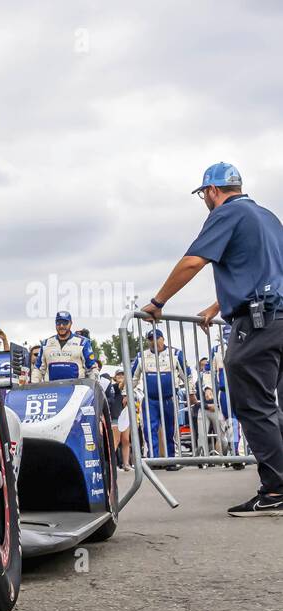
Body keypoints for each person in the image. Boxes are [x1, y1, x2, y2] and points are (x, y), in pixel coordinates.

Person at [140, 162, 283, 513]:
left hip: (258, 323)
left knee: (254, 405)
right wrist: (218, 304)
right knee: (276, 407)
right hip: (278, 314)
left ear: (212, 191)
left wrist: (159, 302)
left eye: (204, 193)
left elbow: (192, 262)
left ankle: (277, 490)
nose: (205, 199)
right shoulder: (267, 217)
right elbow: (265, 269)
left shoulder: (226, 214)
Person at [131, 328, 189, 466]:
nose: (154, 342)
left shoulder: (175, 353)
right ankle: (153, 460)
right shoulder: (141, 356)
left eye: (157, 338)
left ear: (163, 339)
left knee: (171, 431)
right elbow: (133, 378)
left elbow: (187, 375)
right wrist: (126, 394)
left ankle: (171, 460)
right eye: (151, 339)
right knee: (149, 430)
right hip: (150, 400)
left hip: (169, 399)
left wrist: (191, 392)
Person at [35, 311, 99, 381]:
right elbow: (38, 370)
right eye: (58, 322)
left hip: (77, 389)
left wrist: (94, 386)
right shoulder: (46, 343)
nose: (61, 326)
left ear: (71, 323)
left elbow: (91, 369)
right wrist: (33, 388)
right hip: (51, 389)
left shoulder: (83, 342)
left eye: (65, 322)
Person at [106, 368, 134, 471]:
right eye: (119, 375)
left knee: (126, 441)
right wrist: (126, 378)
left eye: (123, 375)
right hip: (115, 417)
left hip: (125, 417)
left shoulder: (129, 390)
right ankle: (111, 465)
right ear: (115, 377)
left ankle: (126, 464)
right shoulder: (114, 387)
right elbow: (121, 386)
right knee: (115, 441)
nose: (121, 376)